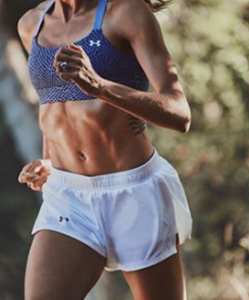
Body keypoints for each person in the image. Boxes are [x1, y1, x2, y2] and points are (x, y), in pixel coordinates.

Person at [17, 0, 193, 299]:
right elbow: (52, 102)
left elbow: (179, 113)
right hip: (68, 197)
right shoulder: (31, 24)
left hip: (135, 193)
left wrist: (99, 85)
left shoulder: (125, 13)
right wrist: (48, 160)